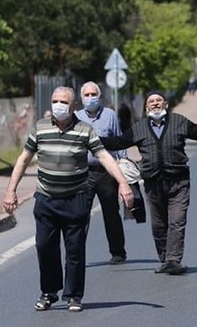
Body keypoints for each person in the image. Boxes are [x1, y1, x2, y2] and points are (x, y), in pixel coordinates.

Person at [2, 86, 133, 312]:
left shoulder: (85, 130)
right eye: (54, 101)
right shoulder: (40, 128)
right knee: (45, 247)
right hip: (46, 199)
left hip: (75, 199)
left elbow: (104, 157)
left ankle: (73, 295)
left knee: (74, 250)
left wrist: (123, 183)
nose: (58, 105)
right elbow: (24, 159)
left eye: (63, 102)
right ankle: (49, 292)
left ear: (74, 106)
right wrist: (10, 190)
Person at [101, 91, 197, 275]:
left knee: (177, 221)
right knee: (159, 225)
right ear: (146, 108)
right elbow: (118, 142)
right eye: (151, 101)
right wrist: (91, 139)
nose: (155, 104)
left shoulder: (179, 121)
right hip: (153, 184)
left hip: (178, 182)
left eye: (158, 101)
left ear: (166, 104)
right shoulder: (139, 128)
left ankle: (173, 260)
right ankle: (165, 259)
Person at [75, 81, 128, 264]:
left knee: (111, 212)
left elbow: (118, 139)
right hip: (84, 173)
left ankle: (118, 252)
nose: (90, 98)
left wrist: (124, 165)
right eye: (86, 95)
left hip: (106, 172)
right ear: (81, 98)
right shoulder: (75, 117)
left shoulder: (109, 115)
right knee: (80, 214)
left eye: (93, 94)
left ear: (99, 96)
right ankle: (76, 253)